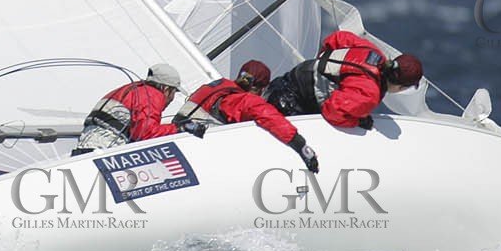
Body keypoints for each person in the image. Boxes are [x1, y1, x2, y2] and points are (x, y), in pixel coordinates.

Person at [178, 60, 320, 172]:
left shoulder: (218, 86)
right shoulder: (245, 100)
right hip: (196, 152)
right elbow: (270, 118)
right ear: (262, 88)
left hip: (179, 140)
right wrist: (300, 145)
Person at [263, 30, 423, 129]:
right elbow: (333, 112)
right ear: (402, 87)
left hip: (288, 78)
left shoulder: (373, 53)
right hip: (289, 103)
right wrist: (357, 121)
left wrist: (323, 62)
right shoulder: (370, 94)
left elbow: (338, 37)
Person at [70, 63, 198, 155]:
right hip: (105, 151)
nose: (172, 98)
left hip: (85, 148)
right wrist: (180, 128)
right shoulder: (152, 95)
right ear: (166, 89)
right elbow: (146, 134)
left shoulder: (126, 90)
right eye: (174, 92)